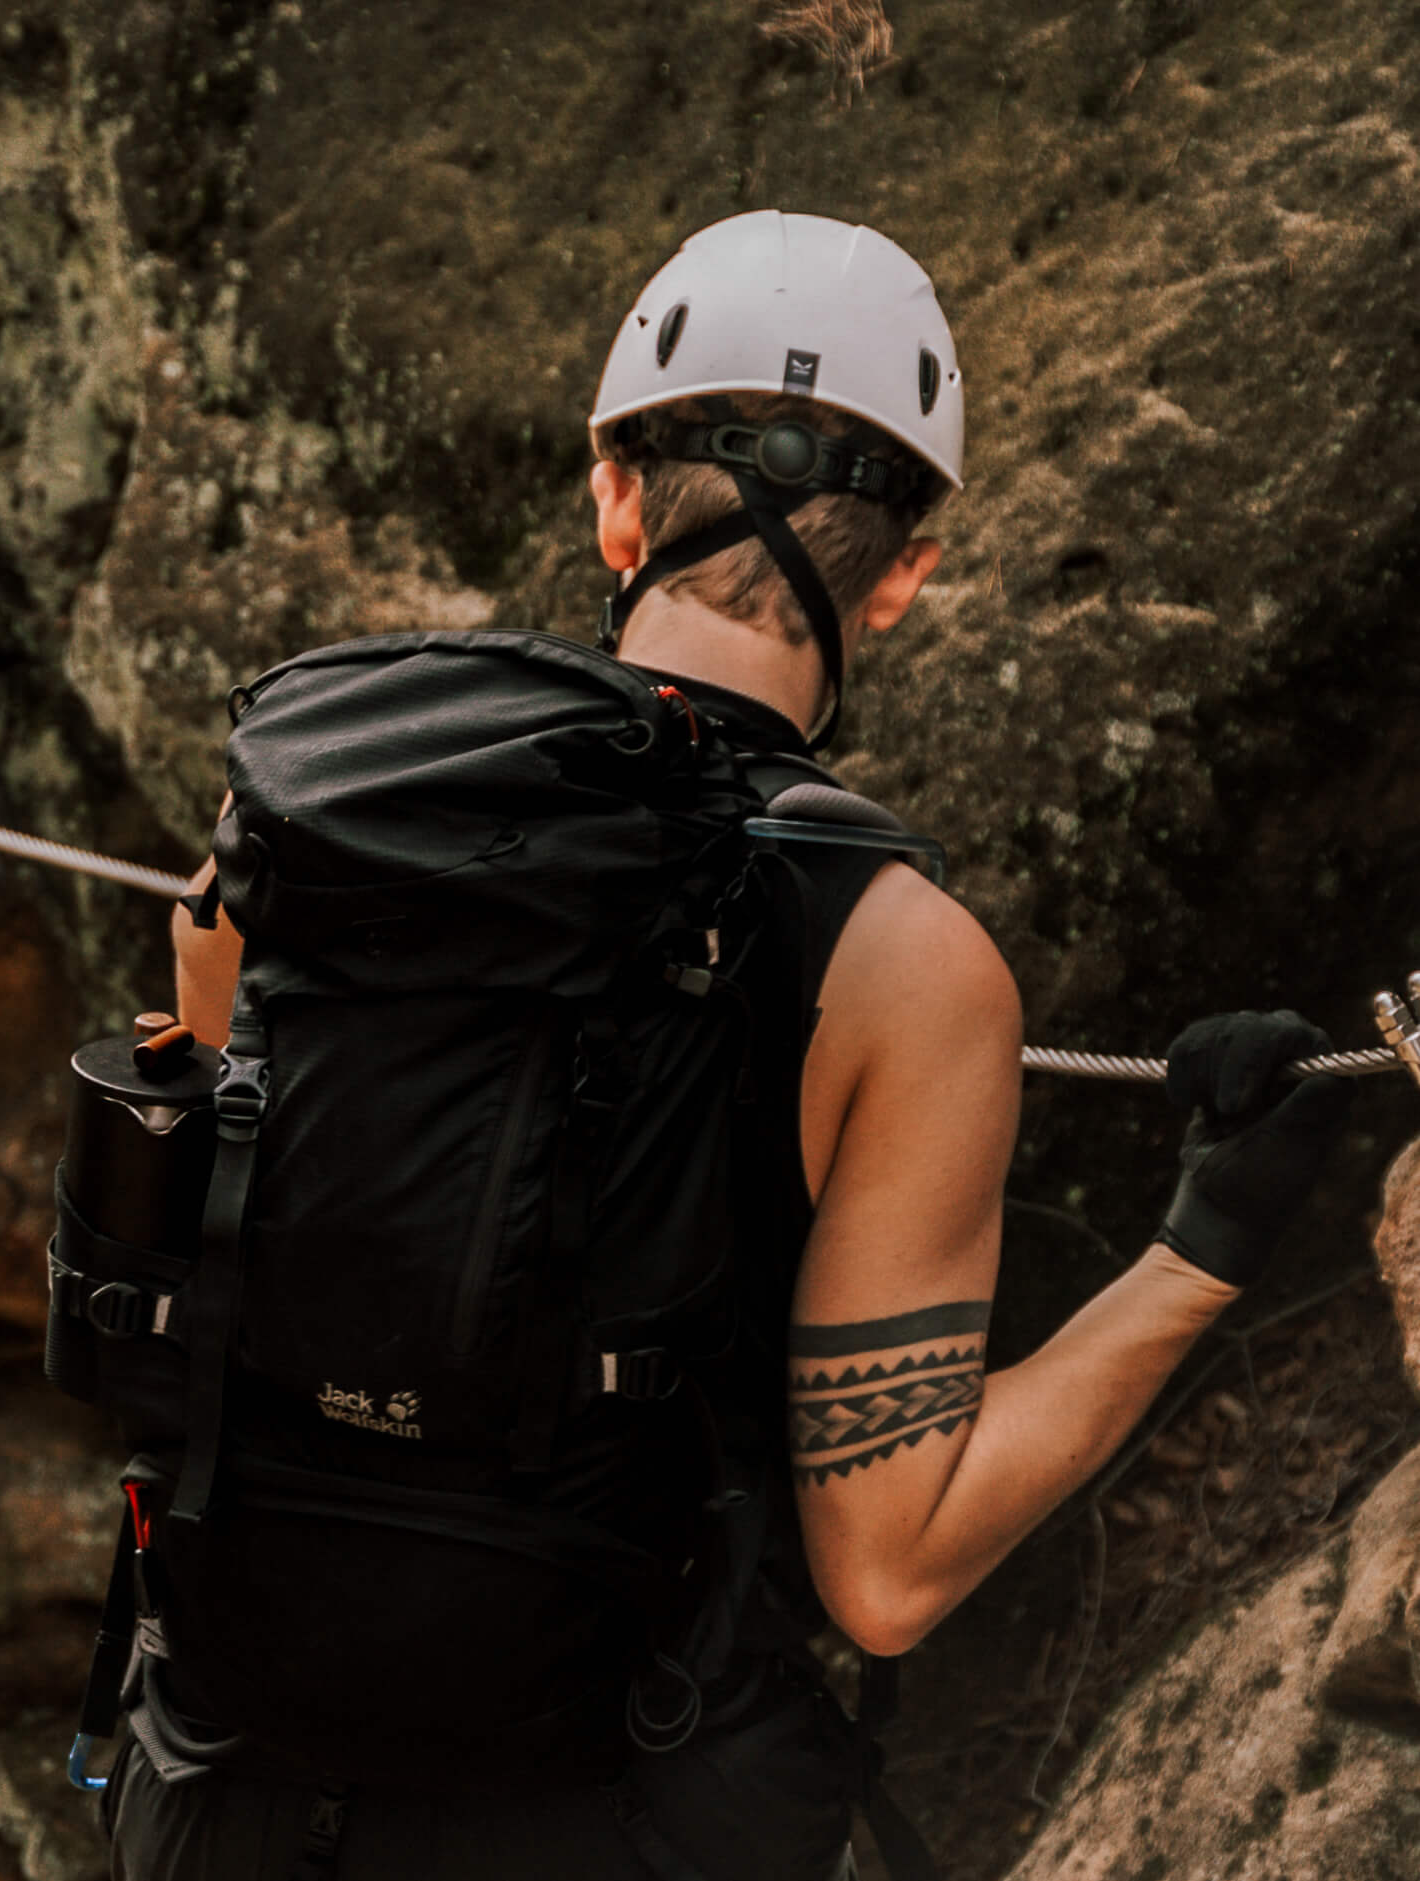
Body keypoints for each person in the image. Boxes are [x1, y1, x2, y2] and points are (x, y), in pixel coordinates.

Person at [108, 210, 1354, 1880]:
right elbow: (886, 1566)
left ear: (612, 496)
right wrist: (1207, 1241)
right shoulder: (907, 963)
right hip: (602, 1816)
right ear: (904, 573)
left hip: (222, 1786)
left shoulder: (287, 832)